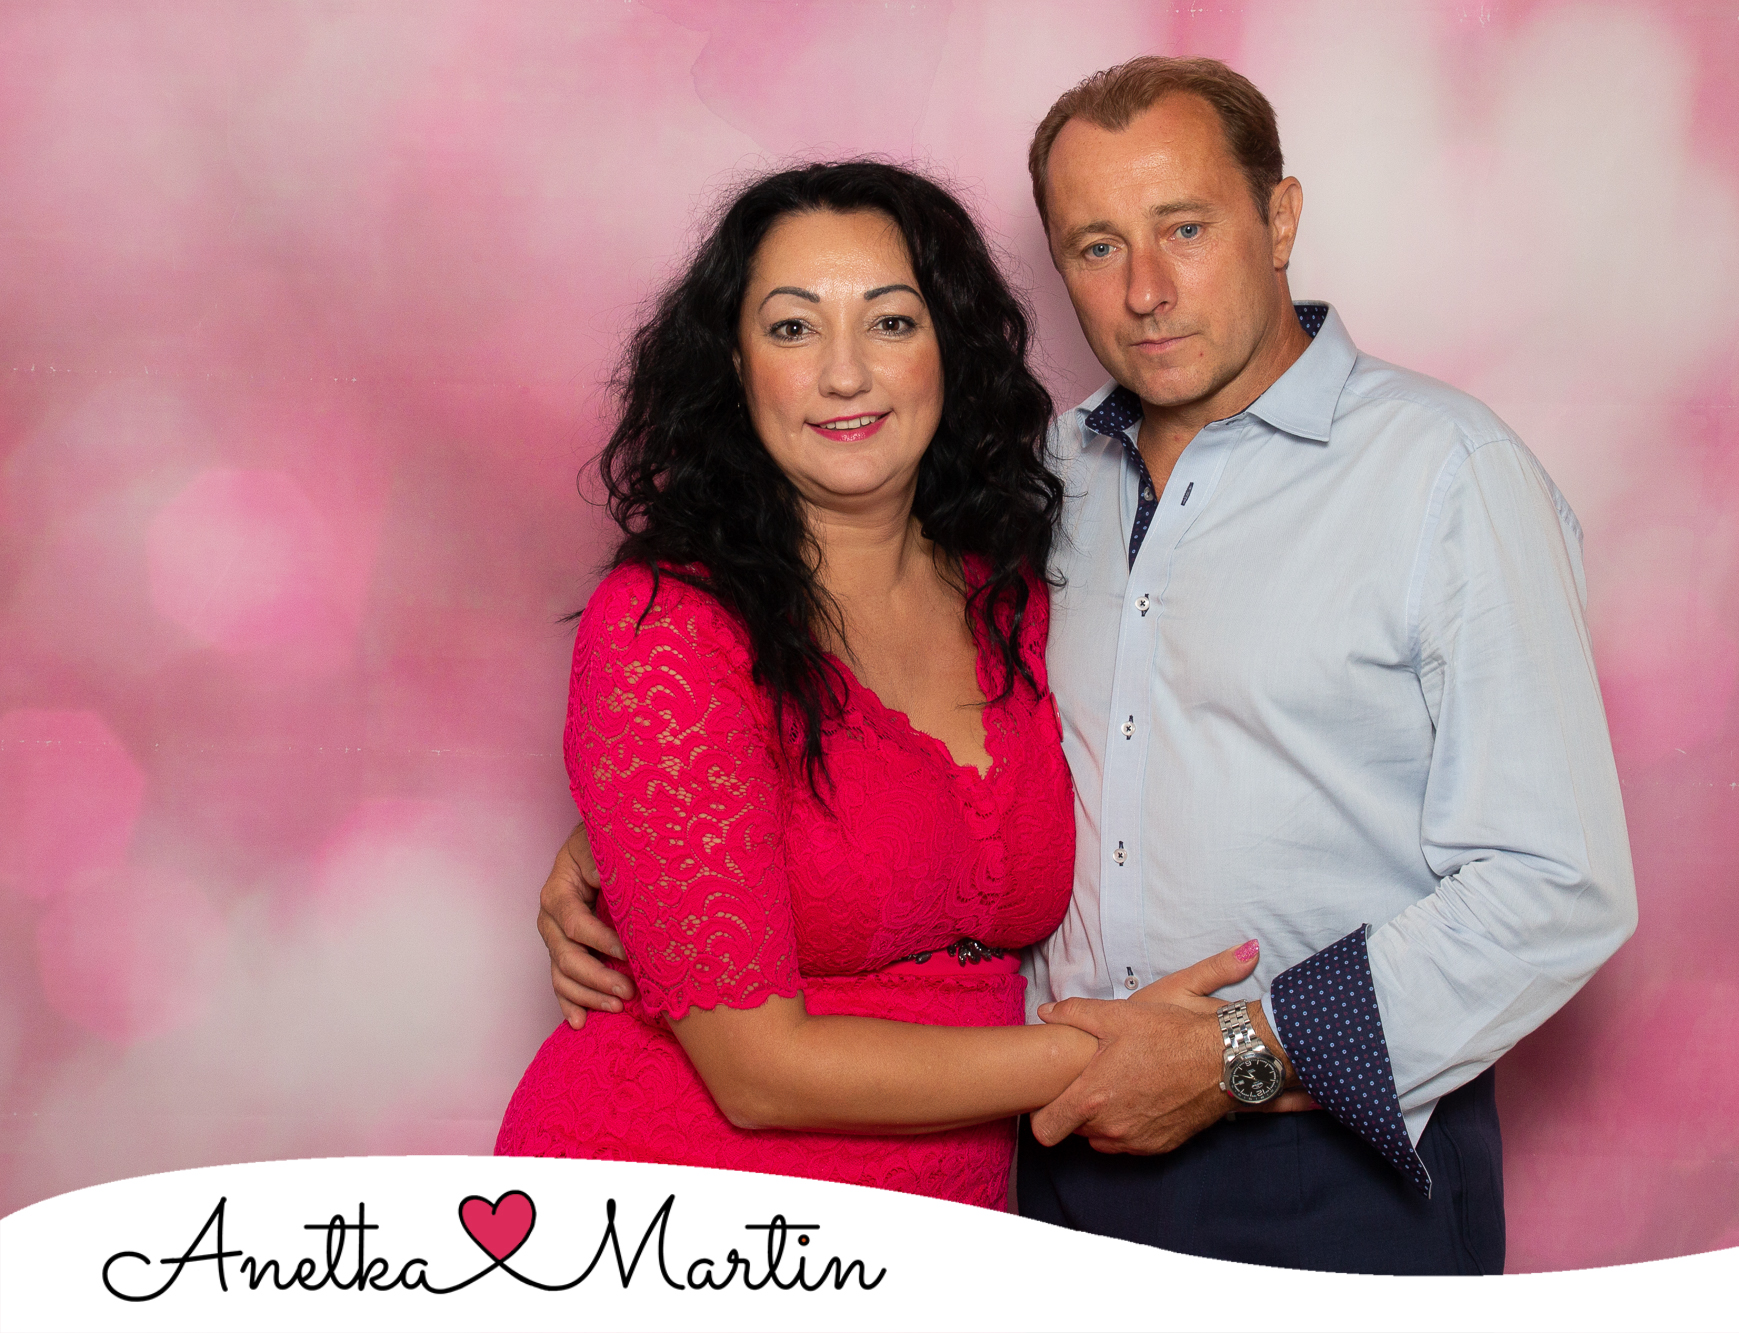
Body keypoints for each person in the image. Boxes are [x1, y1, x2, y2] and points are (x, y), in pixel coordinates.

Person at [540, 58, 1637, 1273]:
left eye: (1184, 228)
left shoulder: (1442, 475)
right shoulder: (1034, 491)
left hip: (1321, 1152)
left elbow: (1552, 884)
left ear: (1278, 219)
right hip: (1051, 1161)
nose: (1145, 290)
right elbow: (852, 720)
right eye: (1096, 246)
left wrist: (1234, 1055)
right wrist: (637, 831)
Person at [494, 160, 1269, 1211]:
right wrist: (1154, 1057)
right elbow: (759, 1073)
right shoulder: (666, 627)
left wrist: (622, 844)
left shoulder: (1018, 594)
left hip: (942, 1222)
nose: (845, 374)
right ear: (733, 366)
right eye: (793, 328)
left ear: (949, 349)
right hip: (672, 1208)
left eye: (891, 323)